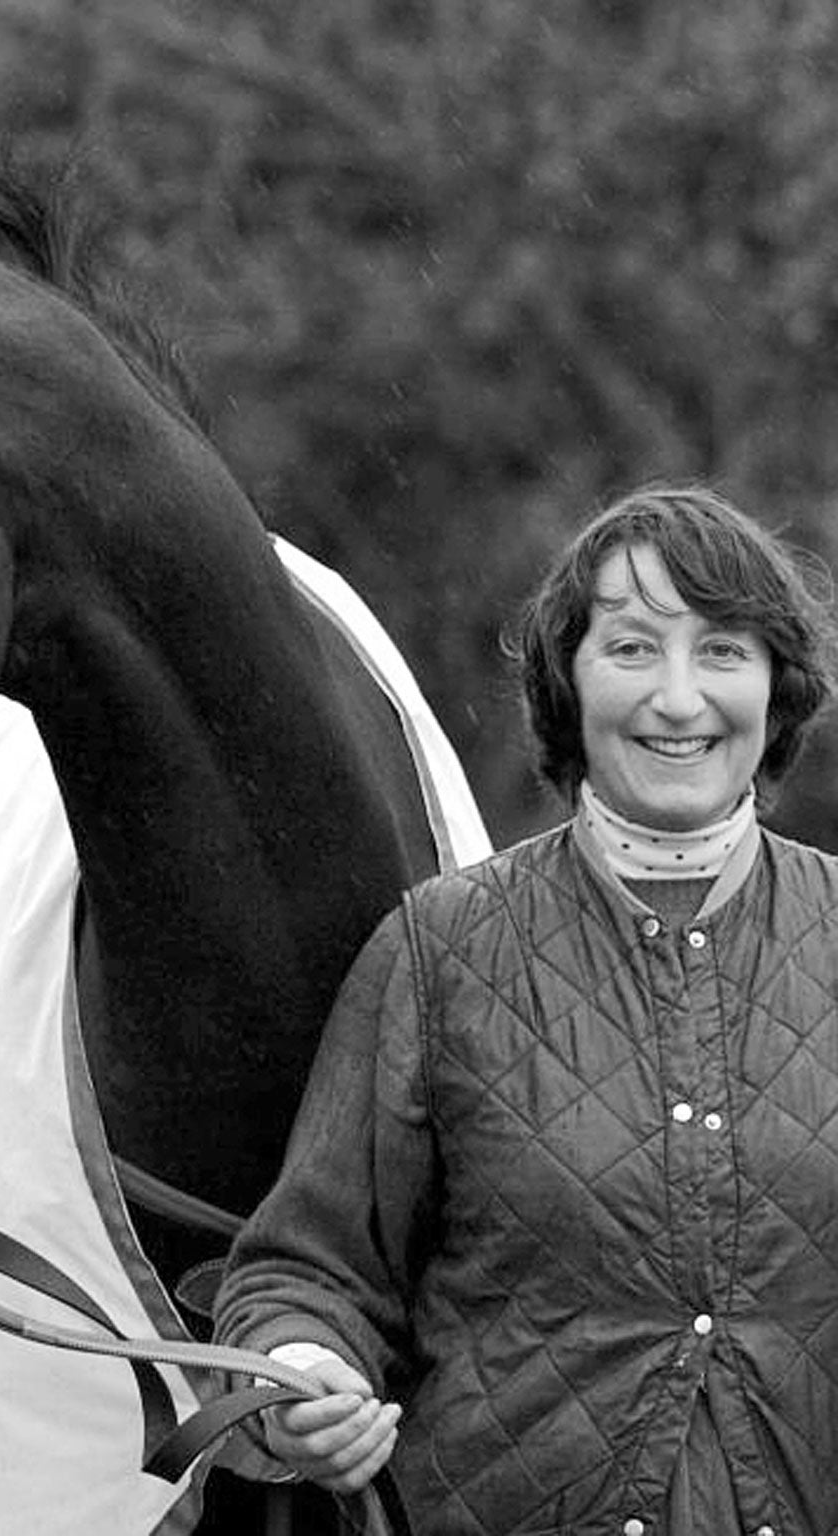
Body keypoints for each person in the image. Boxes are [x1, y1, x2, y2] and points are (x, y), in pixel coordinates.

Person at [214, 484, 838, 1533]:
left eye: (723, 650)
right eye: (632, 648)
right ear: (566, 684)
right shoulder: (439, 950)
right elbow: (303, 1269)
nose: (678, 699)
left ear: (776, 689)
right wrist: (297, 1373)